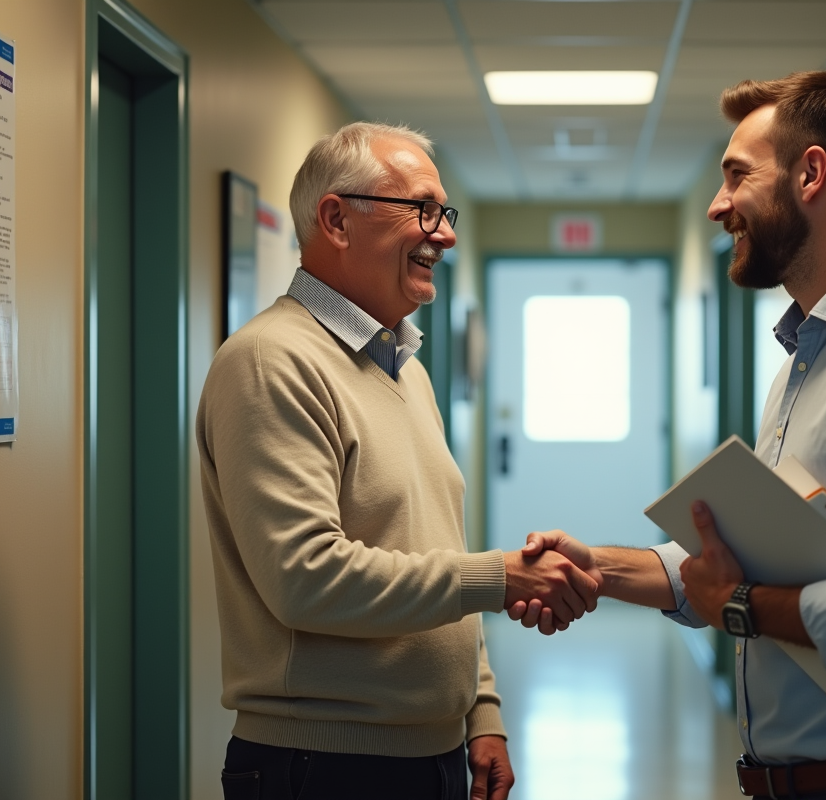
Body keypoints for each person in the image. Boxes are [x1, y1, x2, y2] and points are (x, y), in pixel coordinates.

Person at [512, 71, 826, 799]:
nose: (718, 206)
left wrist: (743, 604)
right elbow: (736, 562)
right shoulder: (805, 360)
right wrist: (596, 566)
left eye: (736, 177)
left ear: (812, 174)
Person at [197, 121, 601, 800]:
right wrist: (500, 577)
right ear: (337, 220)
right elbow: (306, 578)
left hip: (429, 753)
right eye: (421, 210)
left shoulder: (403, 366)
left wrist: (481, 710)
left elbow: (435, 548)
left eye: (444, 212)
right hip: (323, 767)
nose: (443, 234)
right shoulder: (271, 362)